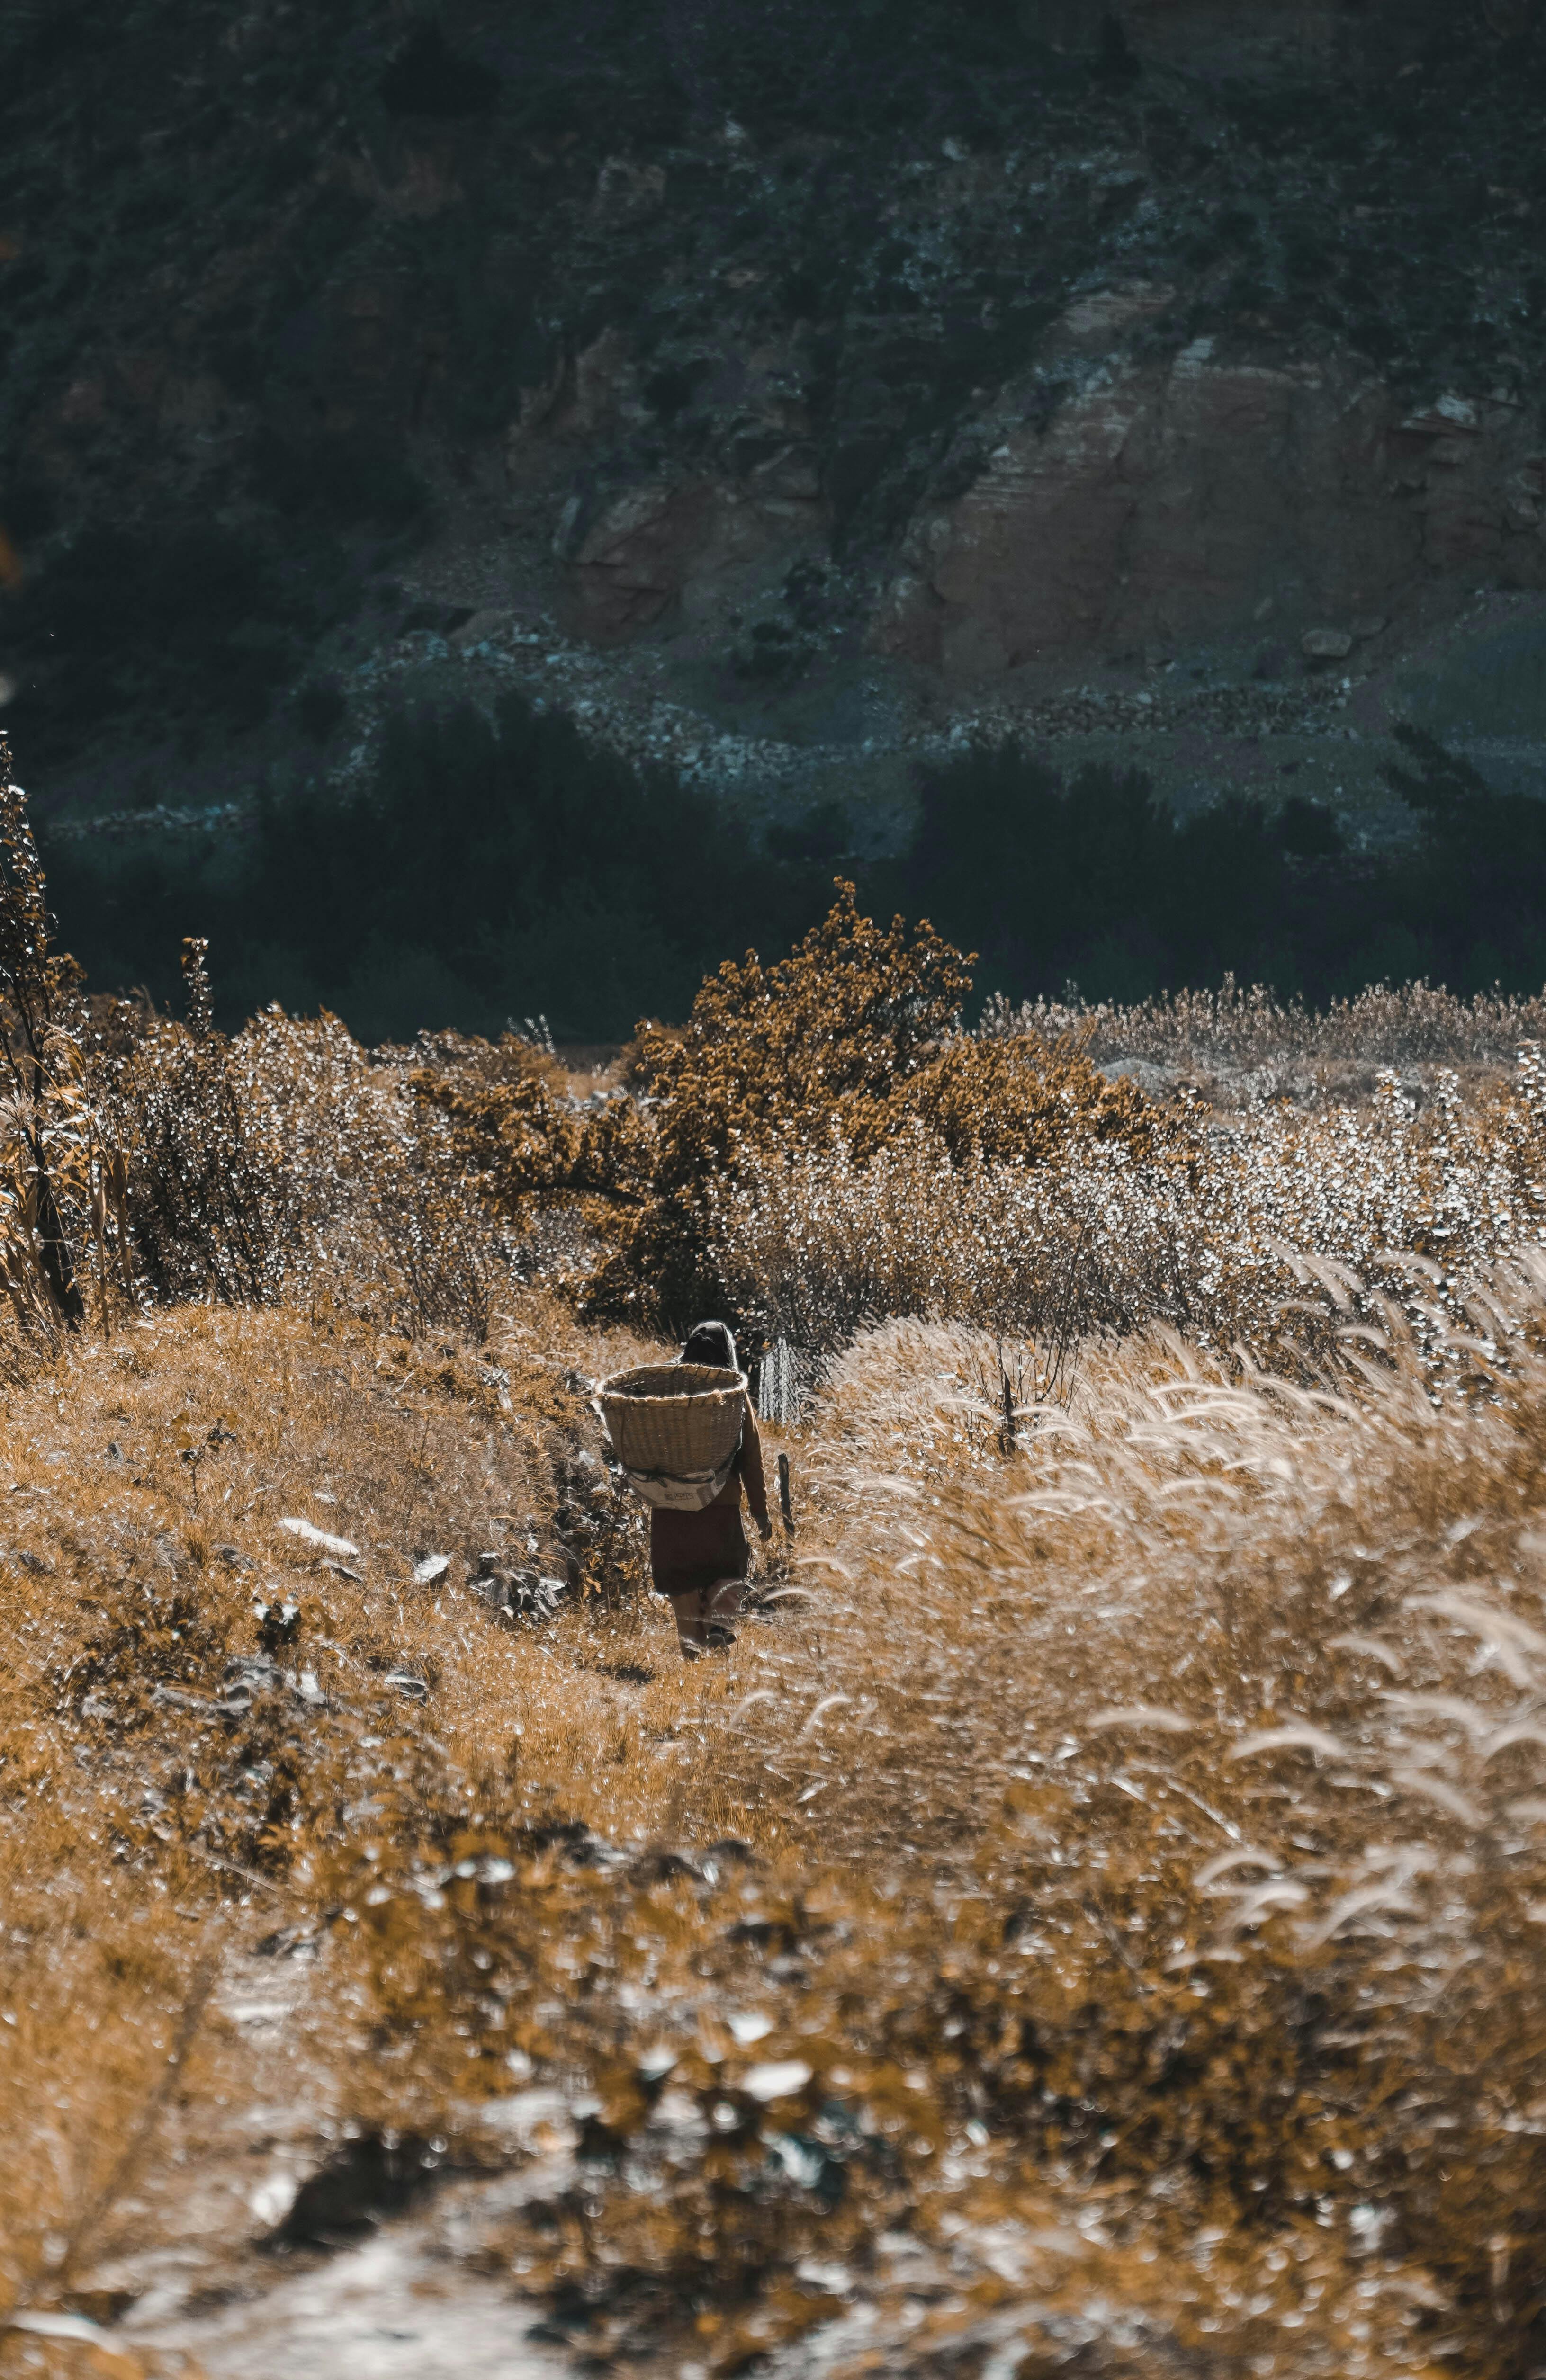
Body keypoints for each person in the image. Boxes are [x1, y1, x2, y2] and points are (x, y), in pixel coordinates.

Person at [650, 1320, 772, 1660]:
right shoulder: (735, 1396)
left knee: (682, 1584)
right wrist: (760, 1513)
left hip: (669, 1509)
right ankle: (719, 1626)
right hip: (721, 1507)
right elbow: (751, 1458)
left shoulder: (664, 1393)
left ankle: (692, 1662)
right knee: (729, 1572)